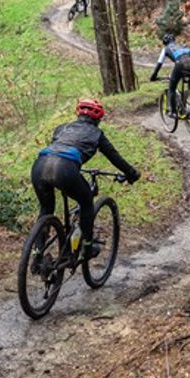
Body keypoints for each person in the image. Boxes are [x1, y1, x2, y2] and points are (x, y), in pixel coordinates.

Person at [31, 98, 138, 259]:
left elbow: (60, 146)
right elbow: (114, 156)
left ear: (78, 115)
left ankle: (37, 254)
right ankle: (87, 247)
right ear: (97, 119)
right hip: (65, 169)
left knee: (46, 209)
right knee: (87, 201)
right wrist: (131, 173)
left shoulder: (62, 128)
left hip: (40, 165)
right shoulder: (96, 134)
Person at [149, 32, 190, 116]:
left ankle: (173, 112)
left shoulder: (166, 48)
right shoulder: (181, 45)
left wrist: (154, 76)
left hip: (180, 64)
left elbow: (159, 64)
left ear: (164, 42)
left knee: (172, 88)